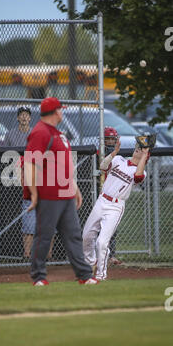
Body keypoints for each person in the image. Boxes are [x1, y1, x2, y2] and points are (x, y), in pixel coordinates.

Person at [24, 97, 98, 286]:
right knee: (44, 236)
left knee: (73, 234)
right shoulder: (40, 132)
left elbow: (64, 165)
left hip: (66, 193)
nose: (62, 113)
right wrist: (33, 194)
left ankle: (84, 275)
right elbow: (30, 163)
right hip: (49, 194)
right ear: (55, 112)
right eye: (60, 110)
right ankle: (38, 277)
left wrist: (75, 189)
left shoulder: (59, 134)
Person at [83, 137, 150, 281]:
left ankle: (101, 275)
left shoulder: (141, 172)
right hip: (101, 201)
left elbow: (138, 177)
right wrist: (114, 153)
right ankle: (90, 262)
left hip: (115, 207)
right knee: (86, 236)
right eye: (138, 147)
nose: (138, 148)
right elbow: (102, 166)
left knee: (102, 242)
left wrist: (145, 154)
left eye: (142, 149)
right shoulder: (119, 159)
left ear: (145, 156)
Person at [4, 106, 54, 259]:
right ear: (18, 118)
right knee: (28, 222)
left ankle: (49, 255)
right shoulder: (11, 134)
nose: (24, 117)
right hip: (17, 175)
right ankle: (27, 254)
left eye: (27, 115)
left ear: (30, 118)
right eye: (22, 115)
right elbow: (5, 156)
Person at [101, 127, 122, 266]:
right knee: (99, 227)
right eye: (107, 139)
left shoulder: (119, 156)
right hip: (99, 193)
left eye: (112, 139)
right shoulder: (99, 153)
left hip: (112, 194)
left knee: (112, 226)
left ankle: (111, 255)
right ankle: (100, 255)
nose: (109, 141)